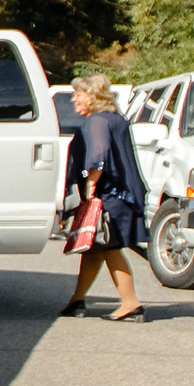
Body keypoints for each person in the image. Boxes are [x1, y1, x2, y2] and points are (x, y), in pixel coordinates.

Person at [60, 70, 147, 322]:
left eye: (78, 94)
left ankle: (131, 304)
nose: (74, 100)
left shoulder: (97, 121)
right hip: (124, 195)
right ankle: (77, 300)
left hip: (109, 196)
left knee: (109, 247)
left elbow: (98, 156)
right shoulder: (115, 119)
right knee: (94, 249)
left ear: (92, 96)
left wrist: (89, 183)